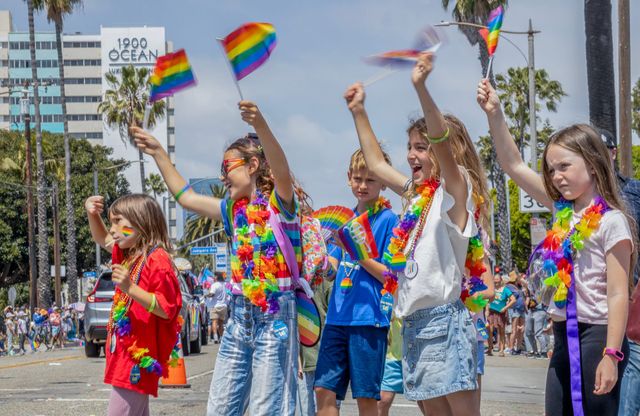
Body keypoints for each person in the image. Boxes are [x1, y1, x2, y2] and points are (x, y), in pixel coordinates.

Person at [132, 100, 302, 416]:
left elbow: (280, 169)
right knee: (221, 408)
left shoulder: (280, 205)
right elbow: (186, 197)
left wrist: (261, 125)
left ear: (252, 166)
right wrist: (157, 152)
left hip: (275, 315)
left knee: (269, 409)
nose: (222, 177)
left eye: (227, 168)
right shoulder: (230, 211)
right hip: (239, 316)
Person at [478, 79, 634, 415]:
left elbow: (619, 294)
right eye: (551, 169)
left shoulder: (612, 221)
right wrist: (495, 113)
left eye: (565, 166)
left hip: (598, 335)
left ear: (592, 164)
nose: (556, 176)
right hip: (563, 334)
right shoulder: (562, 211)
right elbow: (514, 165)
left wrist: (611, 355)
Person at [344, 52, 487, 415]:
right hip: (411, 325)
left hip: (444, 324)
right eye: (409, 147)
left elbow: (441, 139)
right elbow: (376, 164)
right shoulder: (415, 196)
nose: (411, 155)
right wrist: (359, 111)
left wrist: (421, 87)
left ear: (444, 152)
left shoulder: (455, 192)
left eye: (420, 147)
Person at [314, 149, 397, 416]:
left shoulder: (389, 220)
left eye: (370, 180)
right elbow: (334, 270)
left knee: (366, 398)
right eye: (358, 179)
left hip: (369, 320)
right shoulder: (344, 220)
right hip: (336, 319)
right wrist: (321, 264)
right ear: (348, 178)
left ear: (384, 182)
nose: (362, 186)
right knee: (323, 390)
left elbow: (389, 275)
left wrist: (356, 251)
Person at [86, 193, 183, 416]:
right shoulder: (131, 254)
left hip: (137, 360)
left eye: (118, 221)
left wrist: (131, 288)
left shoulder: (156, 259)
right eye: (111, 222)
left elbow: (166, 308)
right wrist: (92, 215)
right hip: (124, 356)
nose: (112, 228)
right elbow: (103, 239)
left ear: (141, 222)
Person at [600, 129, 640, 416]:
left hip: (629, 290)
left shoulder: (634, 190)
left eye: (604, 150)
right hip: (592, 299)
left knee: (631, 364)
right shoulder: (577, 196)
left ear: (613, 153)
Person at [298, 278, 332, 416]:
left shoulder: (326, 280)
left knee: (327, 409)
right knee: (308, 410)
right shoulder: (295, 282)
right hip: (305, 360)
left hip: (326, 358)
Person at [377, 315, 404, 416]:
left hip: (418, 356)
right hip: (393, 356)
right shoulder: (387, 299)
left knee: (426, 403)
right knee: (382, 401)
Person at [487, 275, 515, 357]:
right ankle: (489, 348)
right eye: (494, 279)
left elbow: (513, 300)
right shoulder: (491, 289)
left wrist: (505, 308)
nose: (496, 281)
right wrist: (487, 310)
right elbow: (487, 300)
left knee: (501, 331)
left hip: (501, 313)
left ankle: (501, 350)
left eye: (497, 279)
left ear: (500, 280)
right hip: (492, 312)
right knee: (490, 331)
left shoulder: (506, 290)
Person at [506, 271, 526, 355]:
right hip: (514, 309)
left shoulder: (519, 286)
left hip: (522, 309)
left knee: (521, 330)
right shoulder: (509, 287)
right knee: (514, 330)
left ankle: (518, 348)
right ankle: (511, 348)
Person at [206, 272, 229, 344]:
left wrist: (206, 295)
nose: (213, 277)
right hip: (224, 306)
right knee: (221, 323)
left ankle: (215, 337)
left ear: (217, 277)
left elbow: (212, 294)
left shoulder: (214, 285)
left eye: (214, 276)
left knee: (214, 322)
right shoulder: (224, 285)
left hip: (215, 306)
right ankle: (221, 337)